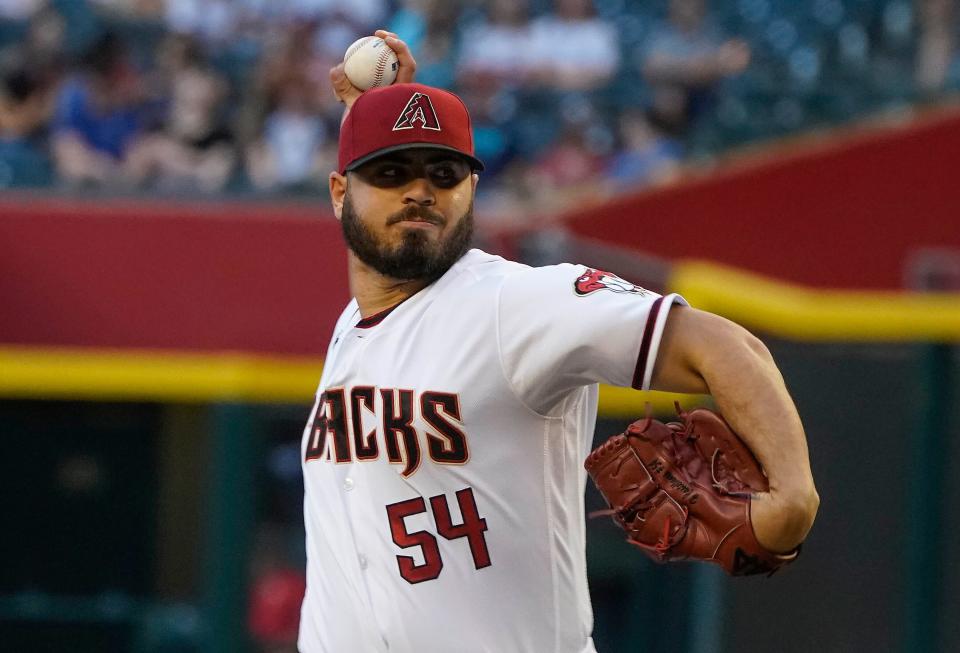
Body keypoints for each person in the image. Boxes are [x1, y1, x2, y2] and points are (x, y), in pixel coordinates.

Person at [299, 30, 819, 652]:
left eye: (445, 173)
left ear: (471, 190)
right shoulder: (355, 327)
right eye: (390, 173)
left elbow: (728, 347)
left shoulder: (512, 304)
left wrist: (793, 497)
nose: (419, 191)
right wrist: (385, 108)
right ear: (339, 194)